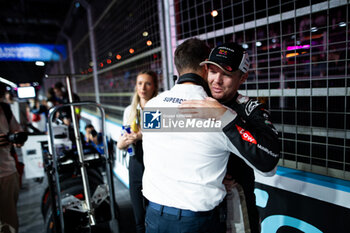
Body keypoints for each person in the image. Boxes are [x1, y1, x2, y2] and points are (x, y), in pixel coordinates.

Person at [142, 38, 279, 233]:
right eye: (213, 71)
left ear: (242, 78)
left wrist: (226, 118)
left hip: (236, 208)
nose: (217, 80)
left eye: (227, 74)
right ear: (205, 70)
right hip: (200, 211)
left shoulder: (250, 109)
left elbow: (269, 163)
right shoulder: (189, 99)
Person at [117, 71, 158, 233]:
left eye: (147, 83)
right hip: (135, 163)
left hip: (154, 164)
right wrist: (122, 143)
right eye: (140, 83)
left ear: (154, 86)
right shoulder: (130, 110)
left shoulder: (158, 107)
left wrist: (140, 135)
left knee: (153, 212)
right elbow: (123, 137)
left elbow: (158, 134)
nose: (143, 87)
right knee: (138, 215)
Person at [0, 83, 26, 233]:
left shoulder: (5, 109)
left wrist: (17, 139)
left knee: (9, 224)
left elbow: (17, 132)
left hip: (7, 174)